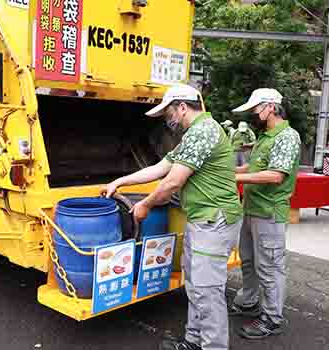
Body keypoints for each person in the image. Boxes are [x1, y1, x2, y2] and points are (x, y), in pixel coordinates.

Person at [102, 84, 242, 350]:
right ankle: (193, 341)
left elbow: (172, 183)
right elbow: (160, 168)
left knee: (207, 290)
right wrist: (120, 181)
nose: (168, 120)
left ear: (181, 107)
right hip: (202, 219)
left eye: (168, 113)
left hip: (214, 221)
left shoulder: (203, 132)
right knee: (195, 284)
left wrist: (144, 204)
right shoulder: (193, 135)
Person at [227, 88, 301, 339]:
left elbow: (275, 175)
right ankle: (248, 301)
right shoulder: (266, 136)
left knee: (270, 266)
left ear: (270, 107)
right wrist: (230, 171)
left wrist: (237, 176)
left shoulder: (287, 137)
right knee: (248, 259)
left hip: (269, 211)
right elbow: (255, 166)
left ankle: (272, 318)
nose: (253, 114)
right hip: (252, 208)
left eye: (256, 109)